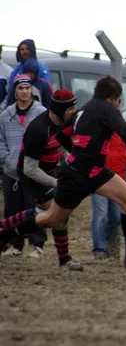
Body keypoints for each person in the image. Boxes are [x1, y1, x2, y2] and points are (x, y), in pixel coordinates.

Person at [0, 76, 126, 270]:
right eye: (119, 100)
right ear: (114, 97)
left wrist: (77, 153)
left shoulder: (85, 108)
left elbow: (62, 135)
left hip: (92, 171)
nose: (119, 104)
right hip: (78, 174)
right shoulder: (107, 108)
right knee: (52, 219)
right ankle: (4, 236)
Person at [16, 89, 82, 270]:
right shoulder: (38, 130)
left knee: (43, 215)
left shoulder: (63, 123)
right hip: (32, 173)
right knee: (58, 215)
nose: (73, 112)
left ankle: (4, 230)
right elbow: (29, 169)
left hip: (49, 171)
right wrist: (57, 182)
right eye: (70, 109)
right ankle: (65, 260)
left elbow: (66, 148)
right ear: (60, 109)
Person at [0, 75, 48, 257]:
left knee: (35, 206)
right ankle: (15, 244)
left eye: (28, 88)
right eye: (21, 88)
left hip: (33, 169)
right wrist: (5, 159)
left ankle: (38, 244)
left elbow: (47, 137)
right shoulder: (6, 115)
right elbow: (0, 140)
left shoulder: (41, 113)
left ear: (32, 90)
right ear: (15, 91)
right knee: (13, 208)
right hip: (11, 170)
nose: (25, 92)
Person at [90, 133, 126, 259]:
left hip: (119, 179)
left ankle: (111, 248)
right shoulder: (97, 131)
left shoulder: (123, 132)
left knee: (117, 217)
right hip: (99, 179)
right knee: (101, 215)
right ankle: (99, 250)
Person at [0, 39, 51, 105]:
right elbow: (10, 93)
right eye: (22, 49)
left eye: (27, 49)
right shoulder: (15, 71)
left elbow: (46, 91)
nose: (25, 52)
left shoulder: (41, 68)